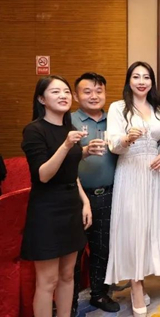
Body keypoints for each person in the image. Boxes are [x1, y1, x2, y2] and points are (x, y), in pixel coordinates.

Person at [21, 75, 94, 317]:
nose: (63, 96)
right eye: (55, 92)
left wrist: (85, 201)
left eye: (65, 91)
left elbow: (70, 172)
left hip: (71, 206)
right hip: (47, 210)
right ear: (41, 99)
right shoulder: (34, 130)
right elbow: (43, 175)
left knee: (67, 275)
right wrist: (66, 146)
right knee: (48, 280)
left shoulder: (69, 129)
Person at [105, 61, 160, 317]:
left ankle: (141, 278)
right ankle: (136, 286)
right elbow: (113, 145)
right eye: (136, 77)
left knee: (149, 227)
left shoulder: (157, 108)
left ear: (152, 82)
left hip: (154, 174)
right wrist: (126, 138)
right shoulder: (118, 107)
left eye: (146, 77)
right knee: (132, 227)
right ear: (129, 81)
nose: (141, 81)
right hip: (131, 172)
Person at [70, 73, 120, 314]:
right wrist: (84, 151)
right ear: (76, 95)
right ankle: (69, 299)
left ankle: (99, 293)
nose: (94, 96)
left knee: (103, 248)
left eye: (99, 91)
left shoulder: (115, 120)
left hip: (109, 194)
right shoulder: (68, 121)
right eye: (87, 91)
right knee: (74, 252)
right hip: (76, 197)